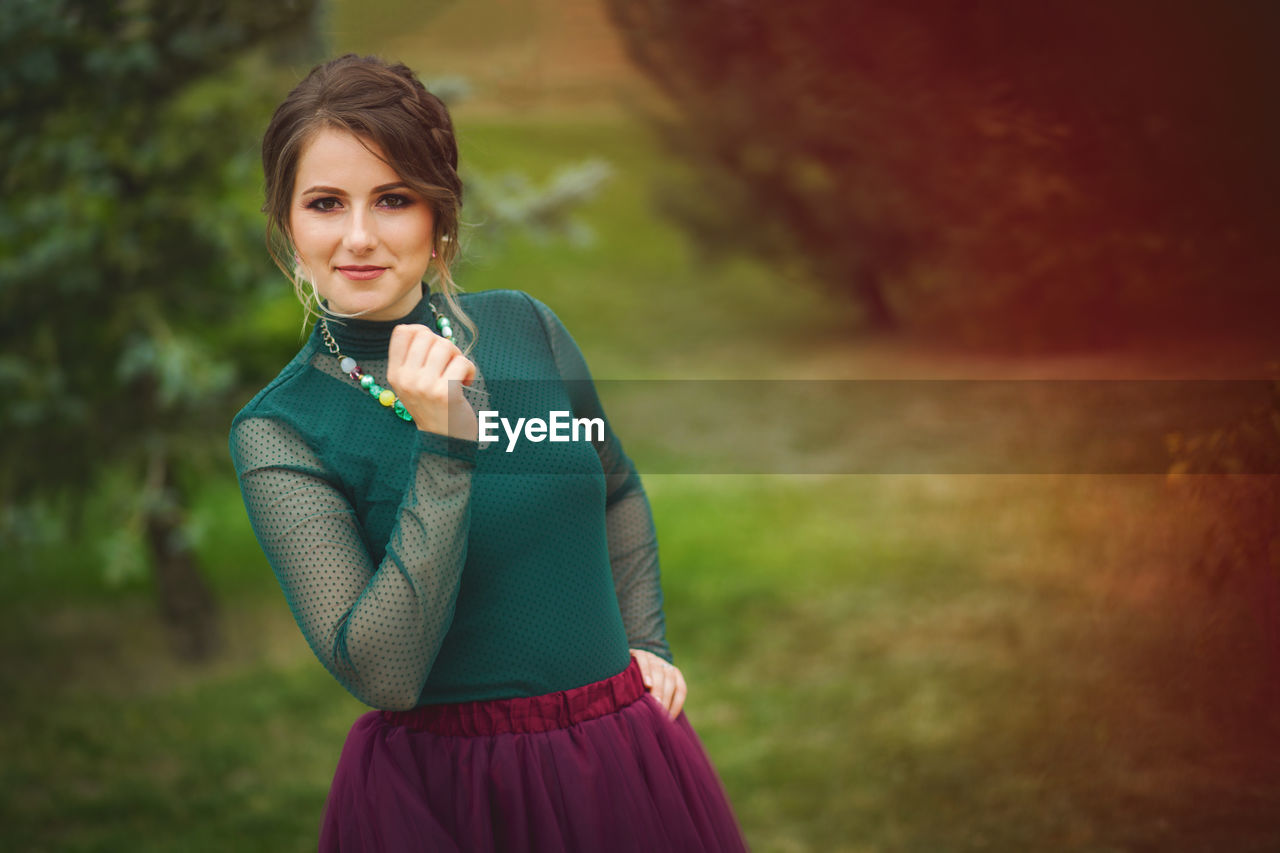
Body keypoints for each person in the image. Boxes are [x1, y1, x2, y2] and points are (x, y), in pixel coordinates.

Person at [228, 53, 748, 852]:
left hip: (619, 763)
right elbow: (384, 672)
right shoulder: (283, 429)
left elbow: (613, 489)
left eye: (393, 199)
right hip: (456, 799)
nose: (358, 237)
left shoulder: (525, 329)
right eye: (326, 203)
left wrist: (645, 641)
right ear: (288, 224)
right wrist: (445, 446)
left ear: (439, 216)